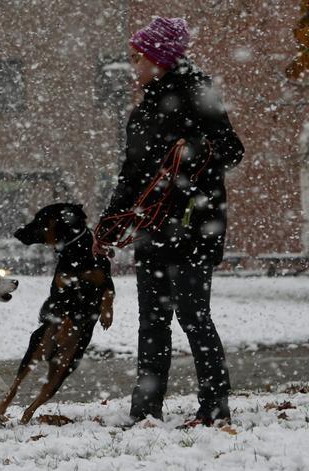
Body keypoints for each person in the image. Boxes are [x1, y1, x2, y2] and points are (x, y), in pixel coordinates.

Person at [93, 17, 244, 425]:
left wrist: (193, 150)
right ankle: (146, 412)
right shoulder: (141, 112)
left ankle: (214, 409)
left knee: (195, 318)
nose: (133, 67)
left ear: (159, 59)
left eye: (136, 58)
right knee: (152, 322)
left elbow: (232, 150)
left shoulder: (200, 94)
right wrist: (107, 224)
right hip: (152, 229)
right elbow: (130, 175)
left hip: (195, 228)